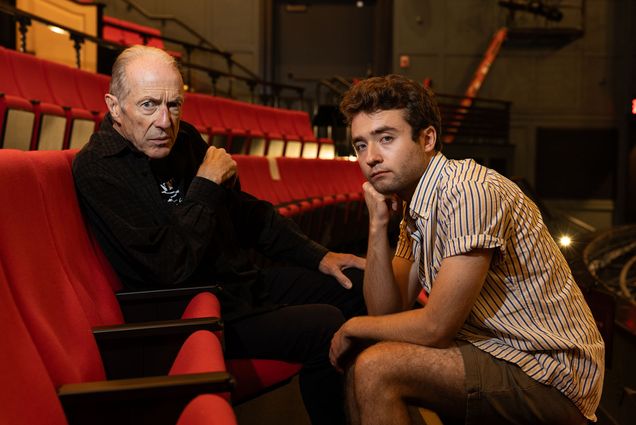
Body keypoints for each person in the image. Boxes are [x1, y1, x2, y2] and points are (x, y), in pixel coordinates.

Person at [72, 45, 366, 425]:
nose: (164, 121)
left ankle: (370, 403)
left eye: (174, 105)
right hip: (196, 310)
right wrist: (206, 184)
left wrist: (319, 256)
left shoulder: (184, 140)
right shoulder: (98, 169)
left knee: (353, 285)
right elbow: (169, 267)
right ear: (114, 106)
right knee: (324, 324)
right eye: (148, 105)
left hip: (240, 286)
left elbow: (248, 215)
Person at [330, 74, 604, 425]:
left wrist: (354, 326)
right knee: (362, 362)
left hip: (548, 371)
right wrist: (377, 224)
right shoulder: (415, 205)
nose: (371, 157)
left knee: (376, 366)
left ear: (427, 138)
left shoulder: (468, 193)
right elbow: (385, 311)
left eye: (386, 138)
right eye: (360, 145)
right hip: (494, 350)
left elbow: (436, 327)